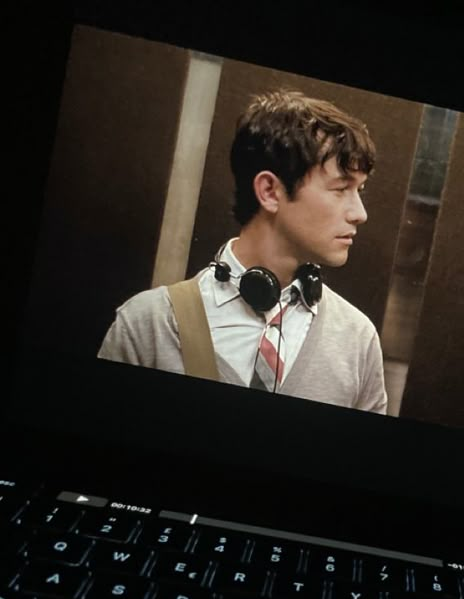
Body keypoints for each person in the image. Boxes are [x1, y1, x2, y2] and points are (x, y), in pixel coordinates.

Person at [98, 90, 388, 414]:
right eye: (340, 189)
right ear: (269, 191)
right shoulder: (148, 325)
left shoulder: (357, 339)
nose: (359, 213)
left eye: (359, 190)